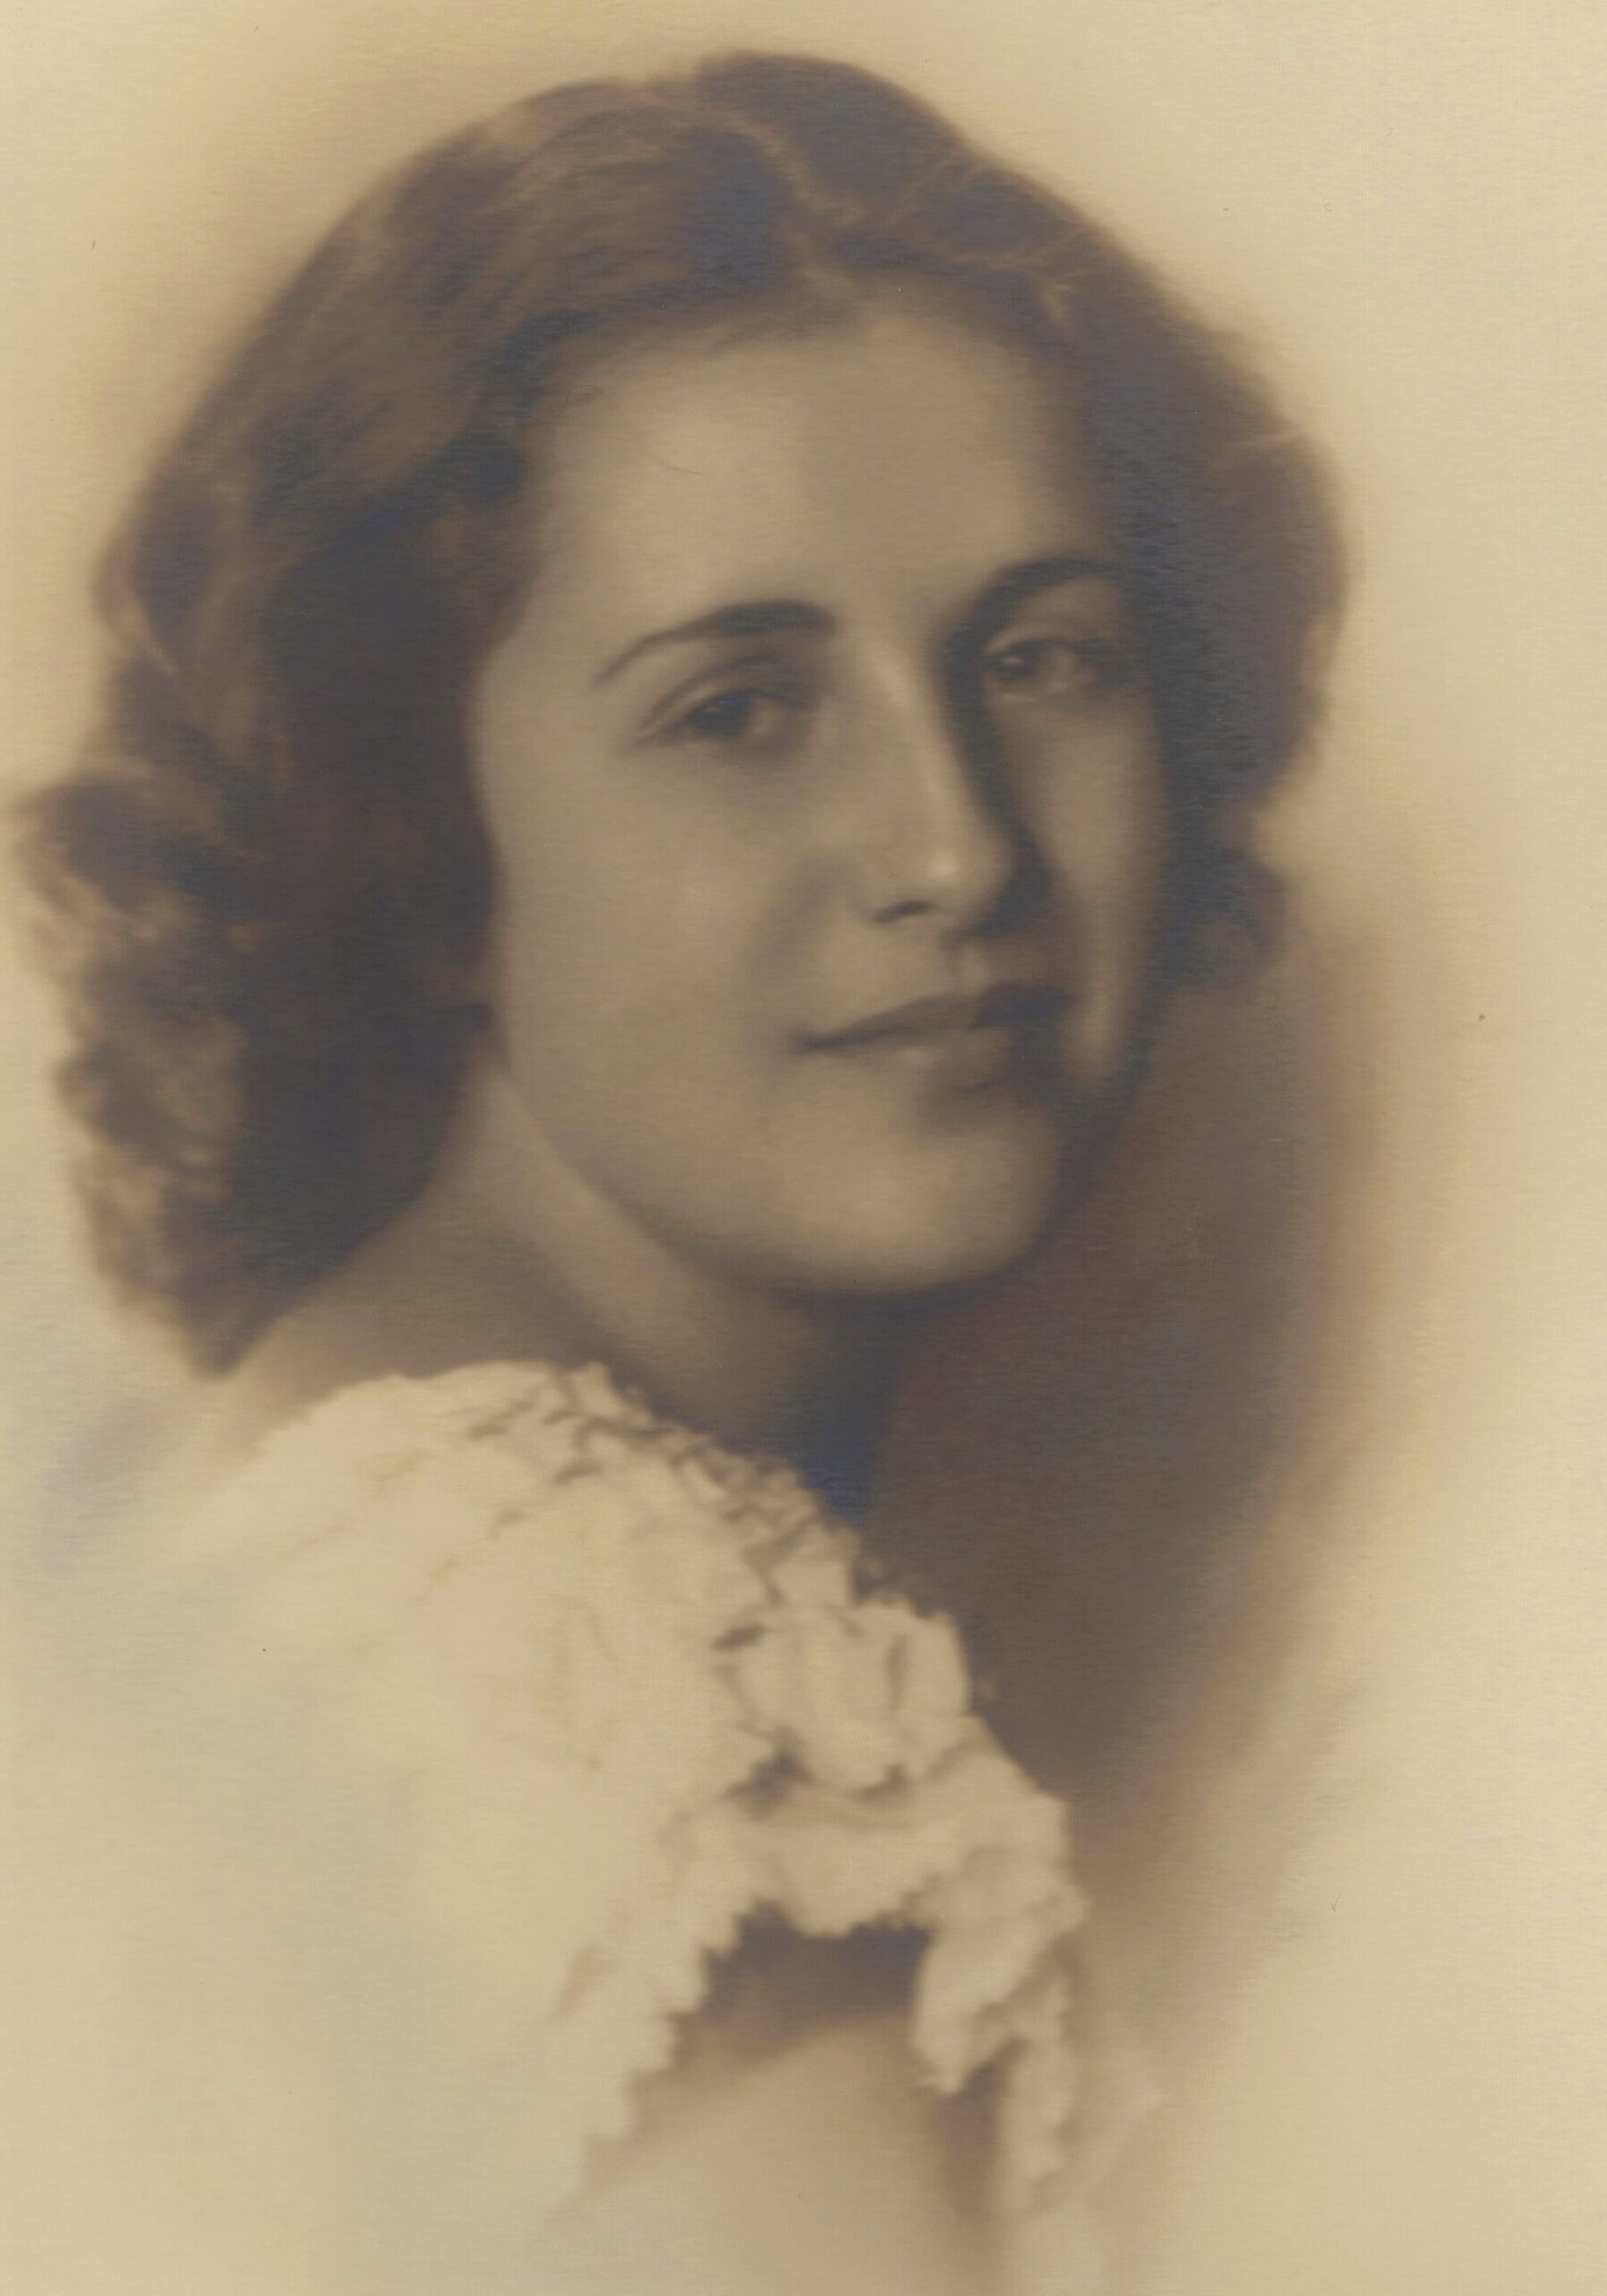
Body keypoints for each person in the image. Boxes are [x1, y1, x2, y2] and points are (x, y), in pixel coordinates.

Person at [16, 49, 1340, 2296]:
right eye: (740, 705)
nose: (956, 847)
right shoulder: (646, 1696)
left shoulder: (348, 1539)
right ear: (409, 846)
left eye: (1041, 659)